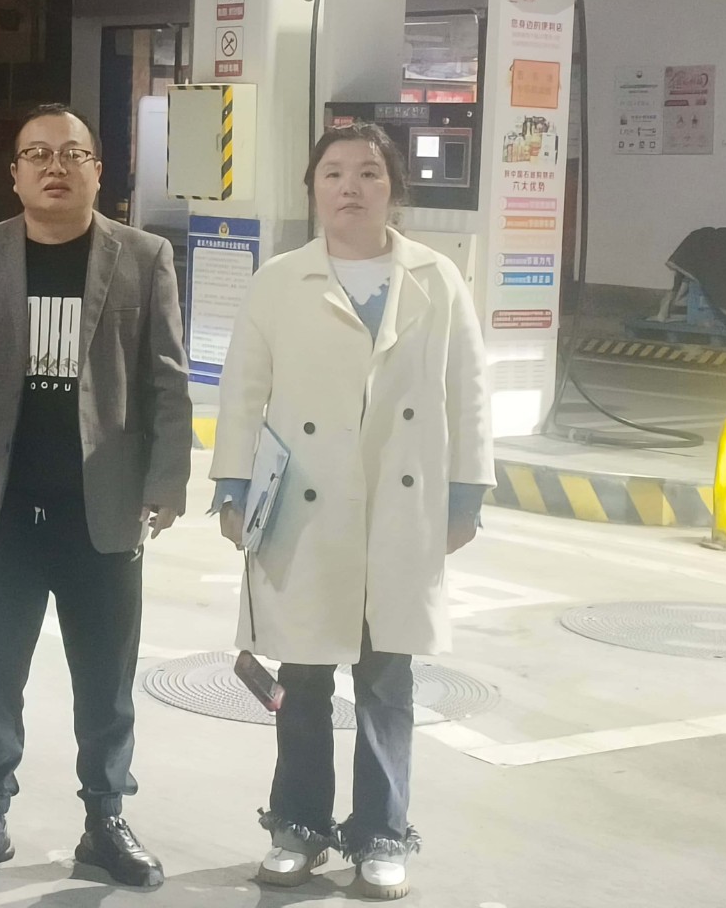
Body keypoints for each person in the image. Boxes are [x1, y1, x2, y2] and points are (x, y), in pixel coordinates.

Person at [209, 123, 493, 901]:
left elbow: (469, 391)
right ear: (313, 187)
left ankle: (380, 836)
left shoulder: (437, 277)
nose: (350, 187)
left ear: (393, 188)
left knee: (386, 680)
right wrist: (231, 485)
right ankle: (297, 827)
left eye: (369, 172)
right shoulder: (281, 280)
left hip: (401, 508)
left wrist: (467, 492)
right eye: (333, 172)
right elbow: (243, 391)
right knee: (301, 678)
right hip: (305, 511)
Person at [0, 103, 192, 888]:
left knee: (105, 680)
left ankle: (105, 819)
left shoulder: (143, 257)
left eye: (72, 153)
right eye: (37, 154)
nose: (55, 166)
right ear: (15, 174)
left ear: (99, 171)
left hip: (102, 507)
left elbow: (168, 379)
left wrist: (168, 478)